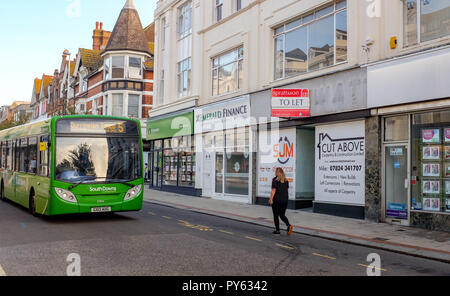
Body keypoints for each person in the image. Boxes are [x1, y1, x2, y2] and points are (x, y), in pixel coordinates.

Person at [269, 168, 293, 235]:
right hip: (285, 200)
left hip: (277, 200)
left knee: (276, 215)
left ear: (277, 173)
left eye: (275, 171)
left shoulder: (275, 180)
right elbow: (286, 191)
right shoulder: (286, 181)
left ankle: (277, 230)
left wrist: (271, 199)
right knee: (282, 215)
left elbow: (273, 190)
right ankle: (288, 225)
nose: (274, 172)